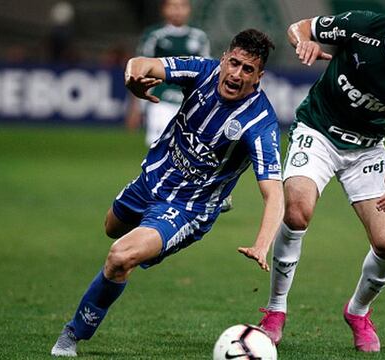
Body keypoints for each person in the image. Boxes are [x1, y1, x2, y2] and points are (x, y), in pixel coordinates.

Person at [51, 29, 283, 357]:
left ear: (259, 77)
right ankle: (211, 200)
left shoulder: (259, 123)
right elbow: (143, 63)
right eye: (233, 63)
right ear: (223, 60)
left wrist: (263, 244)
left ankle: (72, 335)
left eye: (248, 70)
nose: (236, 74)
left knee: (120, 256)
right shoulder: (202, 72)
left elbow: (274, 193)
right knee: (111, 228)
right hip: (152, 178)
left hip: (189, 206)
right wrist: (133, 78)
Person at [256, 0, 385, 353]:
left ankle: (358, 312)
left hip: (368, 150)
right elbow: (299, 27)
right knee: (297, 211)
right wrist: (304, 42)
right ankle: (275, 311)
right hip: (318, 131)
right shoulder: (361, 26)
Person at [125, 0, 210, 146]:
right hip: (160, 100)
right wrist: (136, 107)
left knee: (188, 150)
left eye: (182, 6)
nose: (178, 10)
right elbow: (139, 71)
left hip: (189, 102)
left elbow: (207, 73)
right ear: (164, 9)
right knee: (159, 146)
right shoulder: (155, 36)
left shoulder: (199, 37)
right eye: (173, 6)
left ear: (189, 9)